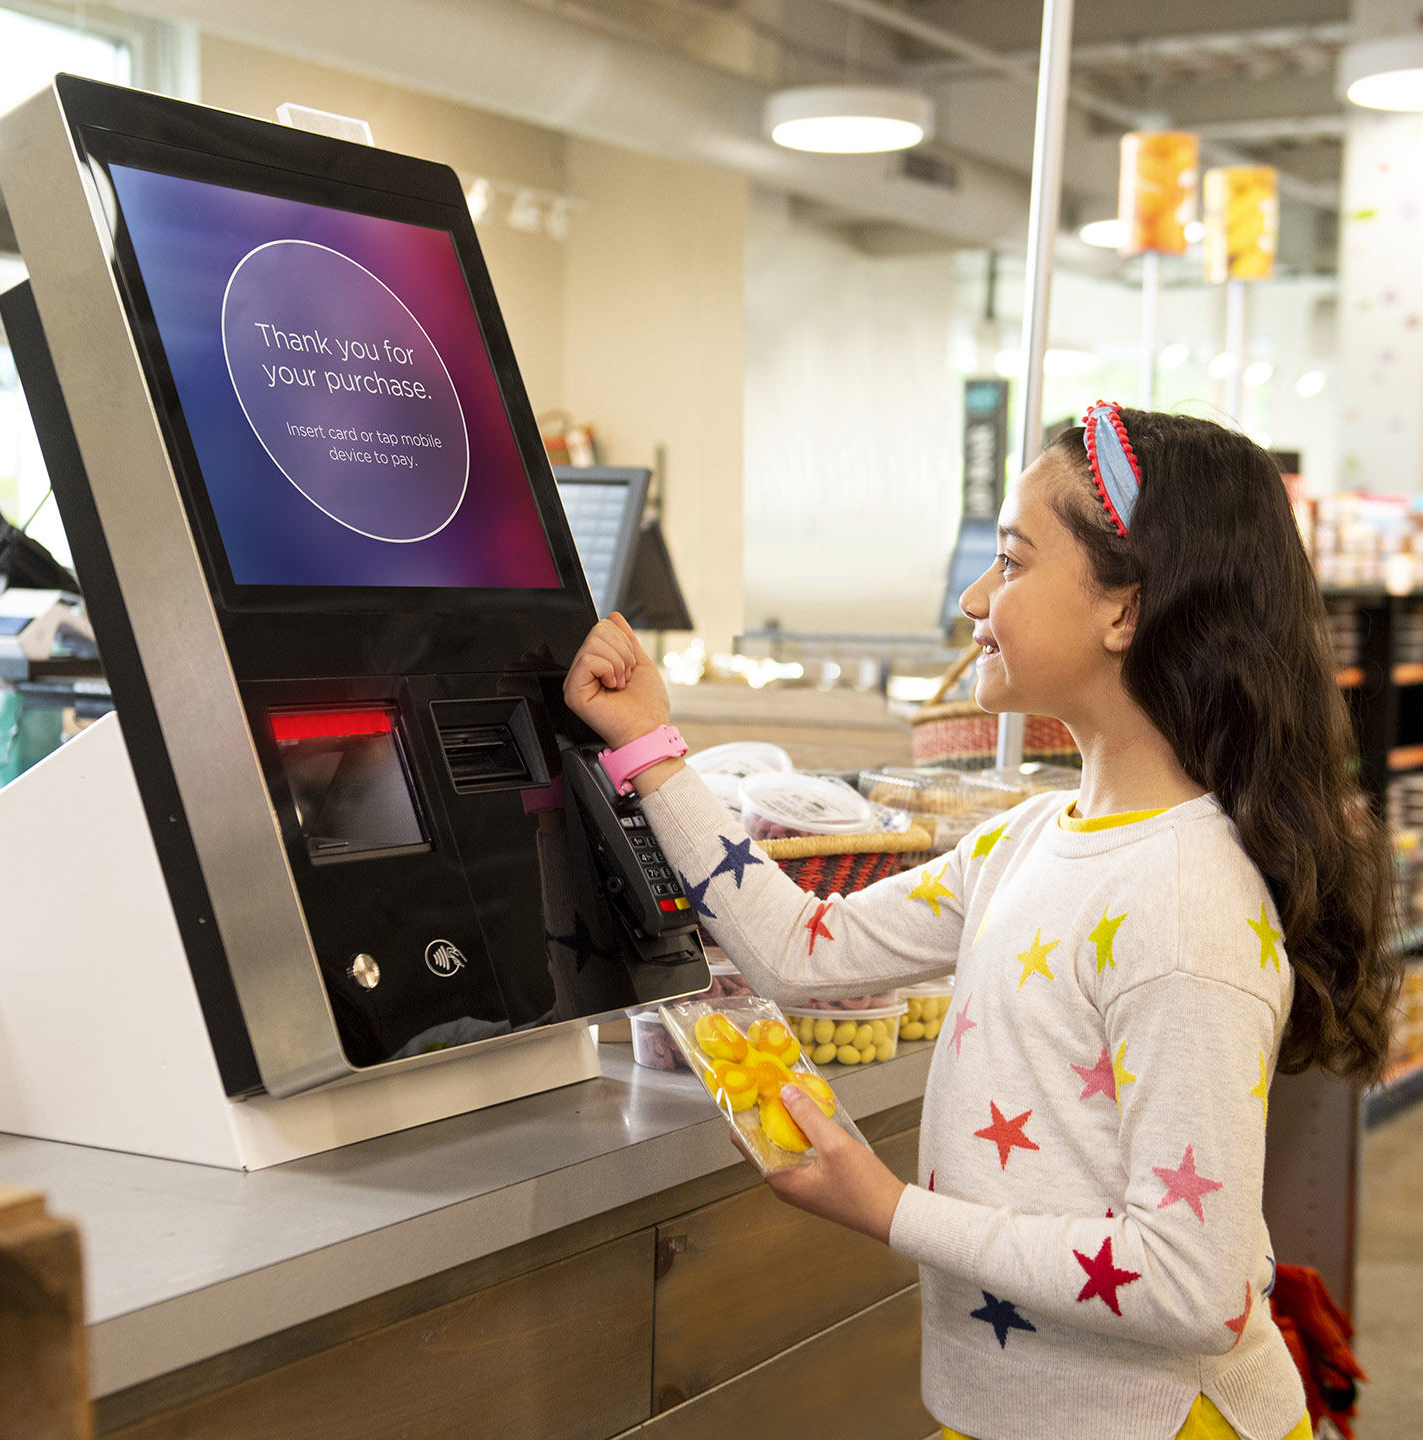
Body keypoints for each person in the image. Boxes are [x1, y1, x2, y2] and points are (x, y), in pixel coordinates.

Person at [563, 403, 1400, 1440]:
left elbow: (1196, 1284)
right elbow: (798, 948)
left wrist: (890, 1210)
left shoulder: (1186, 906)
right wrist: (650, 745)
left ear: (1126, 610)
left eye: (1011, 561)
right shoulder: (1030, 838)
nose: (974, 598)